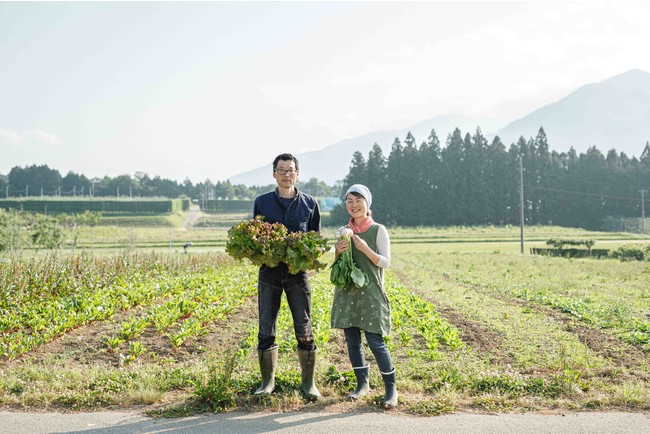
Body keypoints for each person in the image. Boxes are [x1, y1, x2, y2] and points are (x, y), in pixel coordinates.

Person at [251, 153, 322, 401]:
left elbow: (316, 239)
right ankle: (267, 383)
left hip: (297, 276)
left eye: (290, 170)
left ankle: (308, 385)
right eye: (281, 170)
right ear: (274, 173)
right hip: (269, 275)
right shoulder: (262, 202)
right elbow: (255, 237)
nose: (286, 174)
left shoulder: (310, 203)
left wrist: (307, 253)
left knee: (304, 329)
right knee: (266, 328)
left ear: (297, 173)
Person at [330, 184, 398, 409]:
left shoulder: (378, 230)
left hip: (370, 293)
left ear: (367, 203)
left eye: (358, 200)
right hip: (347, 292)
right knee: (352, 341)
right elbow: (337, 267)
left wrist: (365, 249)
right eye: (349, 201)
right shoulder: (342, 231)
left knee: (375, 342)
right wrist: (338, 252)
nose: (353, 205)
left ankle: (391, 390)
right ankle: (362, 385)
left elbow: (385, 262)